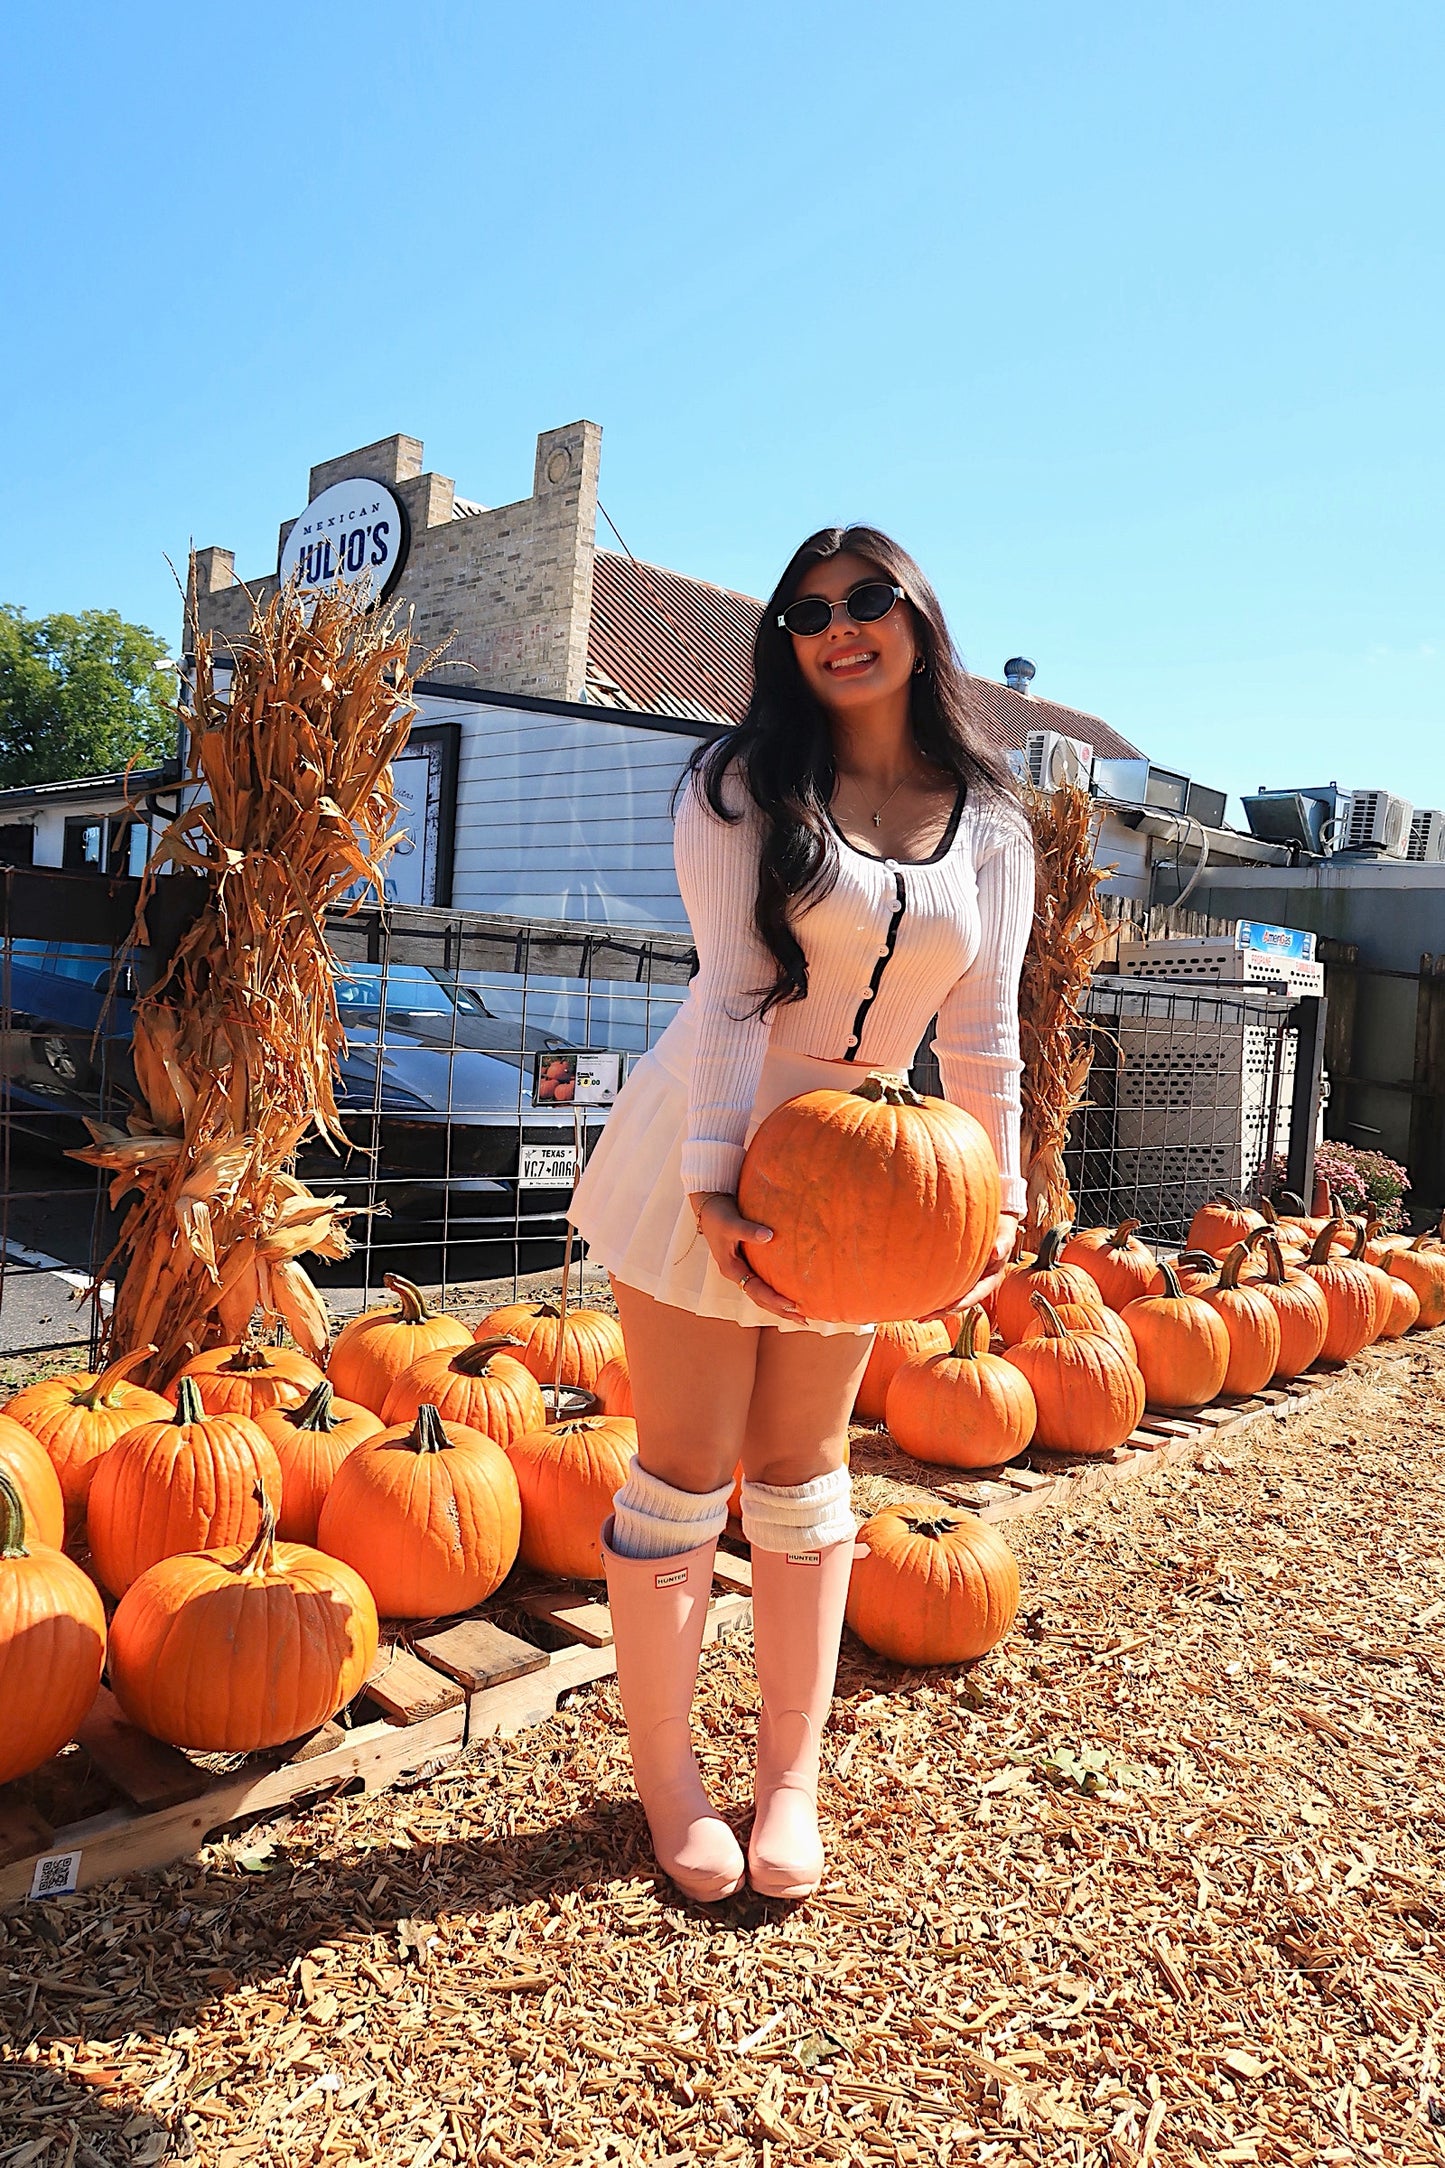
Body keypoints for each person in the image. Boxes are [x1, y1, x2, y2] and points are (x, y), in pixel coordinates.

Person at [568, 526, 1034, 1903]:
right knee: (685, 1466)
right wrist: (713, 1187)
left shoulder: (991, 822)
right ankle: (670, 1787)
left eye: (867, 601)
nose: (839, 626)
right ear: (784, 639)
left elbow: (986, 1029)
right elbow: (727, 994)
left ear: (918, 619)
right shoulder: (740, 782)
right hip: (710, 1141)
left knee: (802, 1467)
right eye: (808, 610)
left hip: (880, 1170)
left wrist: (990, 1199)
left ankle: (788, 1782)